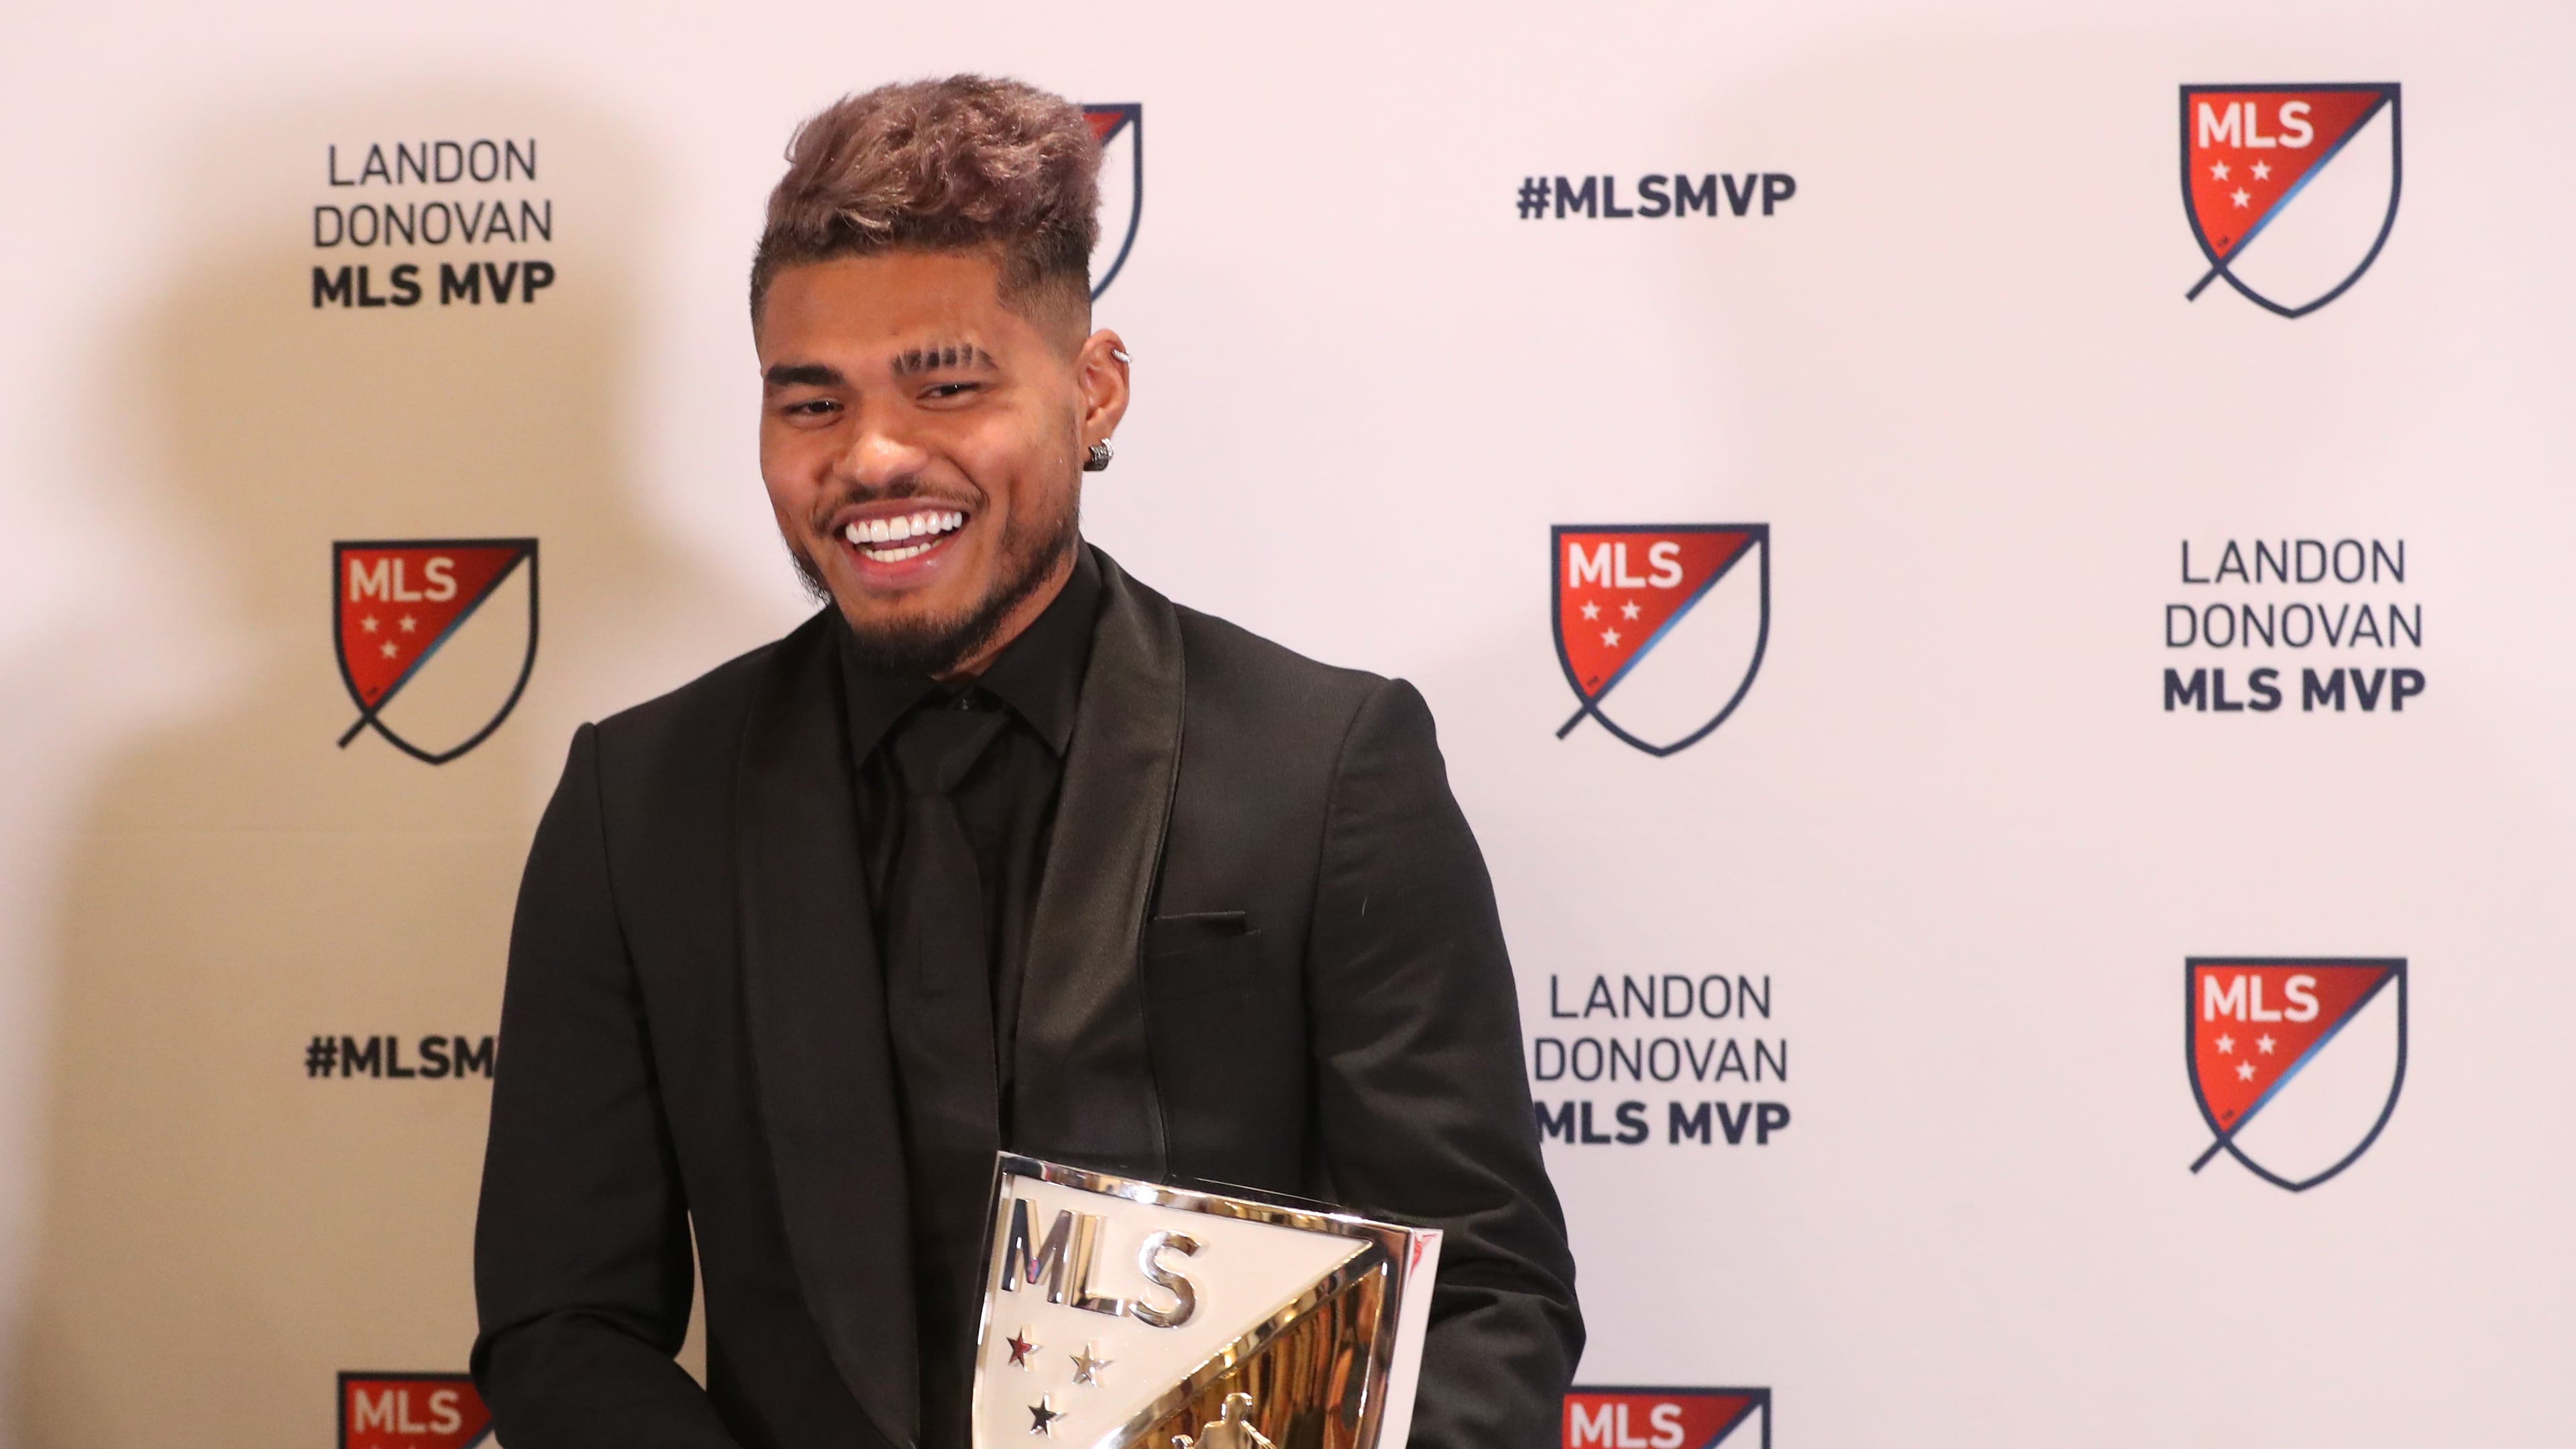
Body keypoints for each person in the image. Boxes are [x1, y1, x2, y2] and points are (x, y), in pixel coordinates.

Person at [470, 74, 1580, 1449]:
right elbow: (559, 1326)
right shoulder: (636, 809)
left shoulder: (1328, 769)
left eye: (947, 386)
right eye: (811, 406)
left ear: (1093, 390)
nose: (874, 457)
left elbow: (1489, 1300)